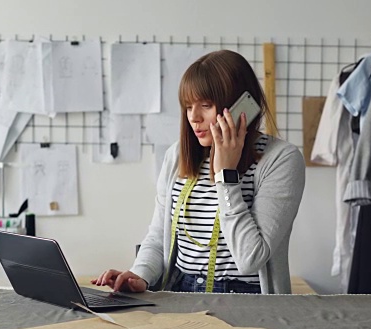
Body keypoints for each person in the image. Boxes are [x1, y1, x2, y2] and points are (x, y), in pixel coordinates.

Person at [93, 50, 305, 294]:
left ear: (240, 106)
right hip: (180, 292)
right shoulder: (177, 156)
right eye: (188, 106)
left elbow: (250, 259)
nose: (194, 117)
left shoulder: (281, 160)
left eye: (206, 105)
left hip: (247, 300)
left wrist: (226, 176)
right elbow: (159, 235)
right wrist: (139, 275)